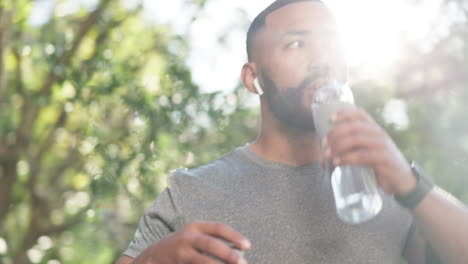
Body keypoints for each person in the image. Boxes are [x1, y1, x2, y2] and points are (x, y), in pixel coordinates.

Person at [116, 0, 468, 263]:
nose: (321, 60)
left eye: (332, 44)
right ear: (253, 79)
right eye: (296, 44)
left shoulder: (391, 184)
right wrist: (150, 260)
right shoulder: (191, 193)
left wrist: (411, 186)